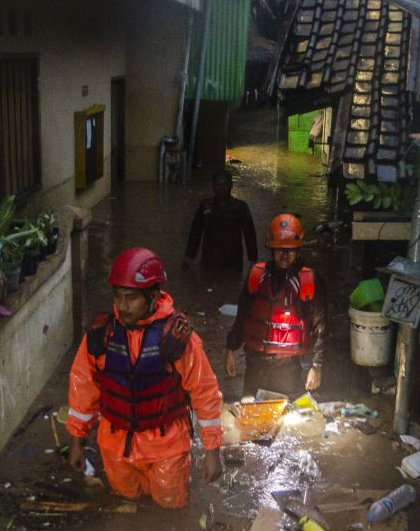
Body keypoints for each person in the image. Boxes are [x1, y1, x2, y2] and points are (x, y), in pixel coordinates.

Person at [67, 247, 223, 508]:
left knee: (170, 506)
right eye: (118, 296)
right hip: (115, 445)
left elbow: (204, 393)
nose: (122, 306)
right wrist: (76, 441)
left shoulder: (177, 338)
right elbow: (83, 388)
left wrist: (212, 451)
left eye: (131, 298)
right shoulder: (100, 335)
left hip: (166, 446)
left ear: (152, 296)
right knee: (127, 502)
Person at [225, 214, 326, 397]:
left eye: (290, 250)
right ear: (271, 250)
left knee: (286, 418)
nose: (285, 255)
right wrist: (231, 349)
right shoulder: (257, 275)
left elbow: (322, 326)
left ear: (298, 250)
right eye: (279, 250)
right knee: (251, 412)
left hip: (288, 366)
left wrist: (316, 366)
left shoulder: (309, 281)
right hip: (255, 361)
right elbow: (242, 315)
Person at [183, 169, 258, 272]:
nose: (221, 188)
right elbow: (195, 232)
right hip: (209, 260)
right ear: (213, 186)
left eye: (224, 185)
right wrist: (189, 256)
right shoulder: (205, 206)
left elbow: (250, 235)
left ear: (231, 185)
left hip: (233, 261)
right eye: (218, 185)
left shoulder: (240, 208)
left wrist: (253, 259)